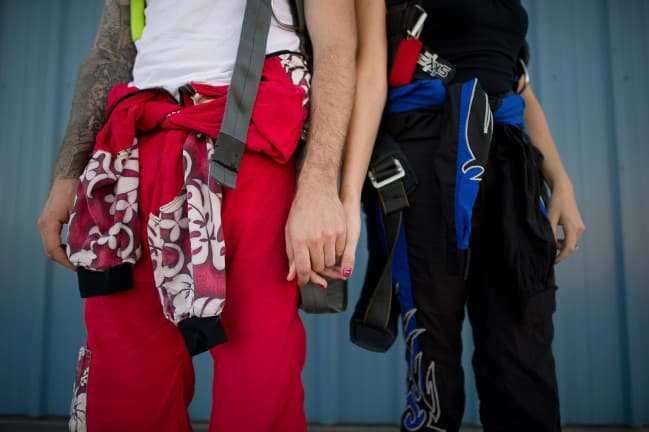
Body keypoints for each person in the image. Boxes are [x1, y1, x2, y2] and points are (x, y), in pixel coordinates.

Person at [36, 0, 356, 431]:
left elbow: (337, 43)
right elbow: (113, 51)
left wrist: (318, 183)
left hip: (251, 141)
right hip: (137, 149)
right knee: (124, 388)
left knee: (258, 393)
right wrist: (67, 177)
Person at [342, 0, 586, 431]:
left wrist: (561, 181)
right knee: (432, 352)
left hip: (509, 165)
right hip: (426, 159)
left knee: (523, 347)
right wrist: (346, 194)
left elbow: (518, 85)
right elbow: (369, 72)